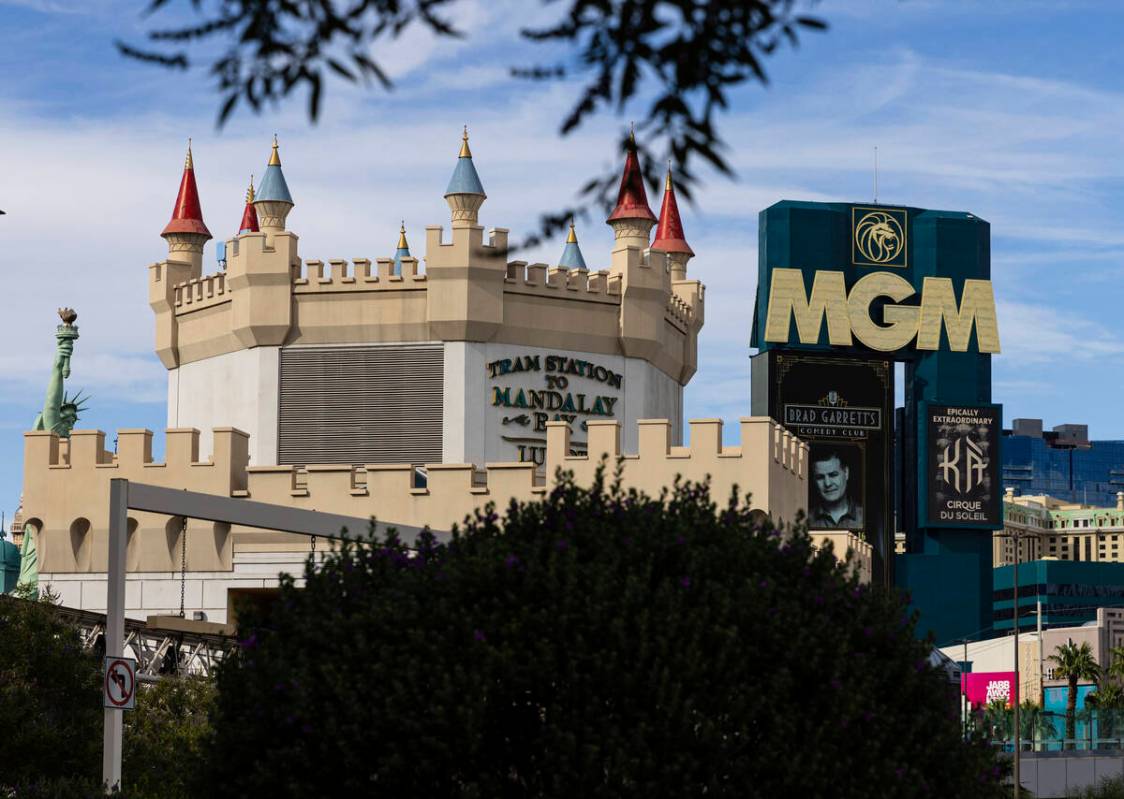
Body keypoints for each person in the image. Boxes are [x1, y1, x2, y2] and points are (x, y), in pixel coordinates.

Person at [809, 447, 863, 529]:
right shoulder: (805, 520)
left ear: (846, 473)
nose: (827, 483)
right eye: (820, 477)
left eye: (833, 475)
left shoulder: (865, 517)